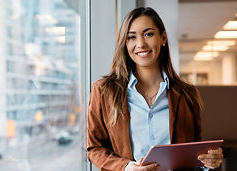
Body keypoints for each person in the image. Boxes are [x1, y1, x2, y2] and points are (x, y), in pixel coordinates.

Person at [86, 7, 223, 171]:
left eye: (148, 34)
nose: (140, 44)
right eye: (131, 37)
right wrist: (127, 167)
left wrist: (208, 160)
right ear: (125, 43)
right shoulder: (103, 91)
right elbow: (94, 149)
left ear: (163, 37)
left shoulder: (187, 94)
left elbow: (193, 152)